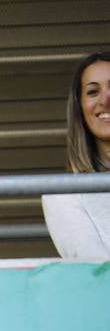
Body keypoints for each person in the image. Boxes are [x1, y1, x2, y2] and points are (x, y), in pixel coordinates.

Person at [41, 50, 110, 260]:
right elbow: (95, 271)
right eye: (92, 92)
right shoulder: (62, 196)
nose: (105, 100)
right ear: (80, 109)